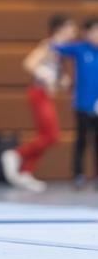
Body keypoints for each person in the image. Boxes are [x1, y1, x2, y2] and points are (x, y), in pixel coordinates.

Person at [1, 15, 77, 193]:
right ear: (61, 29)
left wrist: (59, 80)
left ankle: (26, 171)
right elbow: (29, 63)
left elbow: (53, 74)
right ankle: (16, 154)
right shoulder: (48, 45)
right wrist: (45, 74)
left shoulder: (60, 52)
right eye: (71, 29)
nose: (73, 33)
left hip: (46, 94)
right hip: (38, 93)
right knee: (51, 135)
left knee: (47, 135)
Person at [52, 18, 98, 189]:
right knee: (81, 141)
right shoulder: (81, 48)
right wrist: (62, 35)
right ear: (87, 33)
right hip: (82, 104)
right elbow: (55, 47)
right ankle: (78, 174)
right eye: (94, 31)